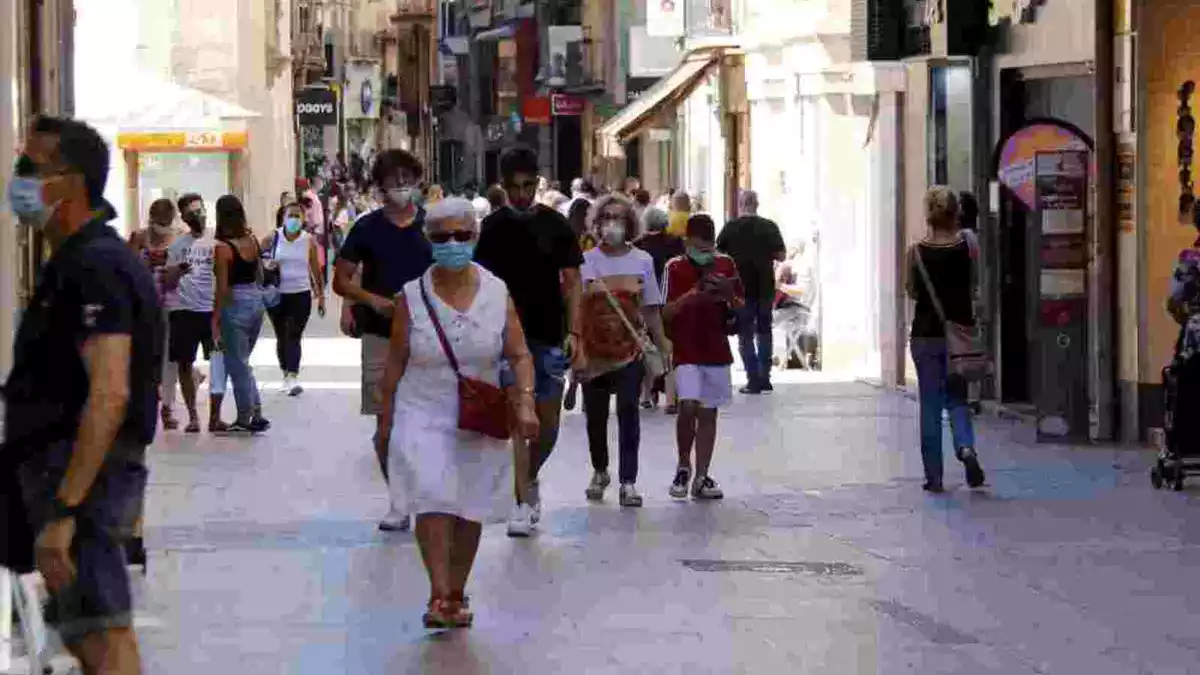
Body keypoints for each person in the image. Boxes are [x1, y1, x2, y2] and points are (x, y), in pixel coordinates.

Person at [5, 115, 158, 675]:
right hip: (65, 475)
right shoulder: (75, 262)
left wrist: (66, 509)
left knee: (100, 634)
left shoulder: (94, 266)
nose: (17, 180)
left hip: (79, 478)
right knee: (88, 630)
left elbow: (110, 390)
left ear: (70, 181)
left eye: (29, 168)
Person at [377, 198, 539, 628]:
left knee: (470, 502)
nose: (452, 243)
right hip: (422, 407)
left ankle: (455, 591)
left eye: (461, 235)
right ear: (429, 241)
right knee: (432, 493)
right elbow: (395, 361)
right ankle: (437, 594)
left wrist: (524, 399)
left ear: (476, 235)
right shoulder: (411, 296)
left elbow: (519, 352)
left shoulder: (496, 291)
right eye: (442, 237)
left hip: (479, 410)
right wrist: (385, 420)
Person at [474, 146, 584, 537]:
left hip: (550, 335)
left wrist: (576, 333)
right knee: (522, 421)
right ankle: (520, 502)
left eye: (527, 186)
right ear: (502, 187)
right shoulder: (489, 230)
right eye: (513, 187)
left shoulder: (557, 226)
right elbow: (477, 286)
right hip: (505, 340)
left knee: (549, 425)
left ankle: (528, 478)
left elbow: (573, 285)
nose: (521, 195)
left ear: (537, 183)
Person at [334, 149, 432, 532]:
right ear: (380, 186)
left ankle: (421, 494)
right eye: (394, 181)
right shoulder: (366, 228)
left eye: (408, 178)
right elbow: (341, 280)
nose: (402, 187)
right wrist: (373, 301)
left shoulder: (431, 226)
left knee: (425, 424)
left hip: (427, 335)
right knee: (386, 425)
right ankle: (398, 498)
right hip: (379, 335)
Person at [577, 193, 667, 508]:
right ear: (597, 224)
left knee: (629, 411)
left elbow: (652, 308)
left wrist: (663, 346)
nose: (611, 224)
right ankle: (600, 470)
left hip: (631, 350)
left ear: (630, 224)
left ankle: (628, 481)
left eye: (618, 218)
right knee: (596, 417)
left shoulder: (642, 261)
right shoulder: (585, 261)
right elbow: (575, 306)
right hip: (594, 352)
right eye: (606, 218)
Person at [906, 186, 985, 493]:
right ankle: (966, 448)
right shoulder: (968, 245)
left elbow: (911, 290)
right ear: (956, 213)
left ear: (928, 214)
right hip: (960, 335)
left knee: (929, 405)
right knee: (957, 397)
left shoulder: (915, 252)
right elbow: (974, 282)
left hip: (926, 335)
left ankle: (934, 477)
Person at [663, 214, 743, 500]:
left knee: (709, 412)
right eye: (698, 247)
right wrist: (693, 294)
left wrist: (728, 296)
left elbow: (740, 306)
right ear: (687, 242)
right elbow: (665, 312)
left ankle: (702, 475)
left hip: (716, 349)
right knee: (687, 406)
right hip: (686, 348)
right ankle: (683, 465)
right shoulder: (674, 268)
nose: (703, 254)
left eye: (708, 248)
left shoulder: (726, 264)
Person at [718, 189, 786, 394]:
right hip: (764, 286)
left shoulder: (730, 228)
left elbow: (718, 255)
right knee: (765, 332)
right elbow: (781, 255)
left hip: (740, 288)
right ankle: (765, 377)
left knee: (745, 334)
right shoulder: (769, 227)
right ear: (757, 205)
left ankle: (753, 379)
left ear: (740, 205)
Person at [212, 195, 270, 434]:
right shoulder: (253, 240)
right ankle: (255, 412)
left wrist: (215, 319)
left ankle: (246, 416)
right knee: (243, 362)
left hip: (235, 304)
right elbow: (260, 276)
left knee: (237, 363)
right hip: (256, 302)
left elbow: (222, 289)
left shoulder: (224, 249)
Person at [163, 193, 219, 433]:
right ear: (185, 218)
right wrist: (178, 271)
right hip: (184, 311)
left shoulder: (217, 241)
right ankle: (194, 416)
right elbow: (168, 282)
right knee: (185, 364)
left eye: (201, 210)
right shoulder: (177, 246)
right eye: (193, 213)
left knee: (218, 362)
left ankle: (215, 415)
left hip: (211, 310)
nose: (199, 215)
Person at [128, 198, 181, 431]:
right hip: (144, 304)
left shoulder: (179, 237)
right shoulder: (139, 237)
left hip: (172, 302)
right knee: (145, 355)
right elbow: (127, 268)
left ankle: (167, 407)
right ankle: (145, 403)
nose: (161, 229)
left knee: (170, 358)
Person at [264, 202, 325, 395]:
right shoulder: (274, 237)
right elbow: (255, 256)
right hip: (277, 295)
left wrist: (321, 296)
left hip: (301, 294)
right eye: (291, 215)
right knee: (282, 335)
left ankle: (293, 376)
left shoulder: (309, 241)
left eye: (298, 216)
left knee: (294, 334)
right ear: (283, 217)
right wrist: (267, 263)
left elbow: (316, 269)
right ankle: (285, 373)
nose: (294, 220)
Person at [634, 207, 684, 410]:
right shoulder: (675, 243)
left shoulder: (637, 246)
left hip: (643, 302)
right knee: (668, 348)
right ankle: (671, 399)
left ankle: (646, 395)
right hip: (669, 302)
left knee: (646, 347)